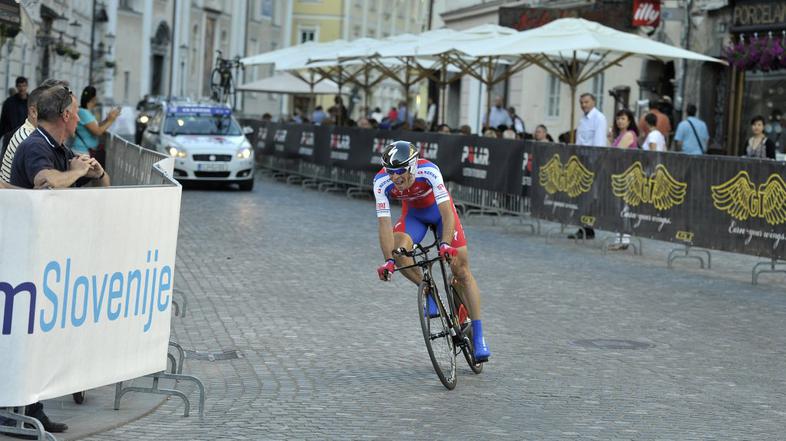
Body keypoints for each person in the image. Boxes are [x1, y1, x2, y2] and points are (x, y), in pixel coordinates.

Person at [374, 141, 490, 362]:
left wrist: (445, 243)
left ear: (413, 165)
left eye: (400, 171)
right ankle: (428, 289)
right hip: (414, 217)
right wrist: (388, 260)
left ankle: (479, 336)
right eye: (391, 172)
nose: (395, 178)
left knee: (461, 271)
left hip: (440, 214)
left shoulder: (429, 170)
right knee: (399, 253)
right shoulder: (381, 182)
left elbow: (447, 213)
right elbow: (384, 224)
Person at [10, 84, 110, 189]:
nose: (78, 119)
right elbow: (44, 181)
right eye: (76, 113)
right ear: (66, 115)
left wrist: (100, 174)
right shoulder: (35, 145)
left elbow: (106, 187)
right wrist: (78, 171)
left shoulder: (62, 149)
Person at [1, 79, 68, 183]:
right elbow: (46, 182)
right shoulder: (29, 140)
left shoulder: (40, 136)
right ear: (34, 111)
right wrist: (77, 171)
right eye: (54, 108)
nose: (64, 115)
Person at [569, 93, 607, 240]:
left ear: (593, 102)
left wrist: (593, 164)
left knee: (589, 197)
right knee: (581, 196)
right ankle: (584, 228)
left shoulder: (599, 118)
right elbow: (579, 141)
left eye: (586, 102)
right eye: (581, 103)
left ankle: (588, 228)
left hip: (591, 162)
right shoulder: (582, 120)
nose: (583, 105)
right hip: (581, 161)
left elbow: (598, 143)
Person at [72, 86, 121, 157]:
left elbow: (96, 126)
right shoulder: (83, 112)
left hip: (85, 151)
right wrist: (111, 120)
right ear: (93, 98)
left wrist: (108, 119)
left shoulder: (85, 112)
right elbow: (97, 131)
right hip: (82, 151)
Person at [0, 76, 29, 153]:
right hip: (10, 137)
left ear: (27, 86)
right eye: (20, 86)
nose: (22, 88)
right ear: (16, 87)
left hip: (27, 137)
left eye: (24, 86)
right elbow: (3, 120)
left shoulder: (32, 102)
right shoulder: (9, 102)